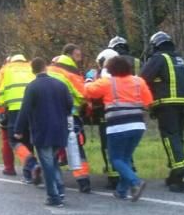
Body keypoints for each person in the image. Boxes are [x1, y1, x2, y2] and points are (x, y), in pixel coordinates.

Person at [85, 56, 153, 202]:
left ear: (110, 70)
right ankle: (121, 191)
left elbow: (89, 92)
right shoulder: (138, 81)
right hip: (138, 126)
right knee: (125, 158)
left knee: (115, 159)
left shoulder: (107, 82)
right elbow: (148, 101)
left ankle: (136, 182)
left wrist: (89, 79)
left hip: (117, 127)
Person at [15, 57, 73, 207]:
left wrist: (18, 130)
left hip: (42, 130)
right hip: (60, 130)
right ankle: (60, 190)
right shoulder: (60, 85)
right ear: (46, 67)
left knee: (47, 164)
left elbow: (25, 109)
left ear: (33, 70)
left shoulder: (32, 87)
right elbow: (69, 105)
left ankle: (54, 196)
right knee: (53, 161)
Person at [140, 31, 184, 192]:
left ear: (156, 45)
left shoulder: (158, 59)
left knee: (169, 138)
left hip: (166, 104)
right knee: (178, 137)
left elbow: (143, 79)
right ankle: (175, 175)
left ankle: (182, 172)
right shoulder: (183, 61)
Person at [47, 44, 92, 193]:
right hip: (69, 114)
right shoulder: (70, 72)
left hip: (49, 114)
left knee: (51, 146)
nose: (79, 59)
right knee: (75, 146)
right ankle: (83, 180)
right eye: (78, 55)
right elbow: (83, 94)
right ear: (70, 54)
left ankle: (48, 176)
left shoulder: (50, 69)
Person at [0, 54, 39, 180]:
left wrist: (1, 109)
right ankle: (29, 175)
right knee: (28, 141)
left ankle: (32, 163)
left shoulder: (6, 69)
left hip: (14, 109)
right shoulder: (31, 67)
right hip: (33, 109)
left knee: (14, 140)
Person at [89, 48, 120, 189]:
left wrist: (88, 82)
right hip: (124, 116)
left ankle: (114, 177)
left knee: (108, 146)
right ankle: (125, 172)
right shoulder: (124, 75)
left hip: (106, 115)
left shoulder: (104, 76)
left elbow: (94, 94)